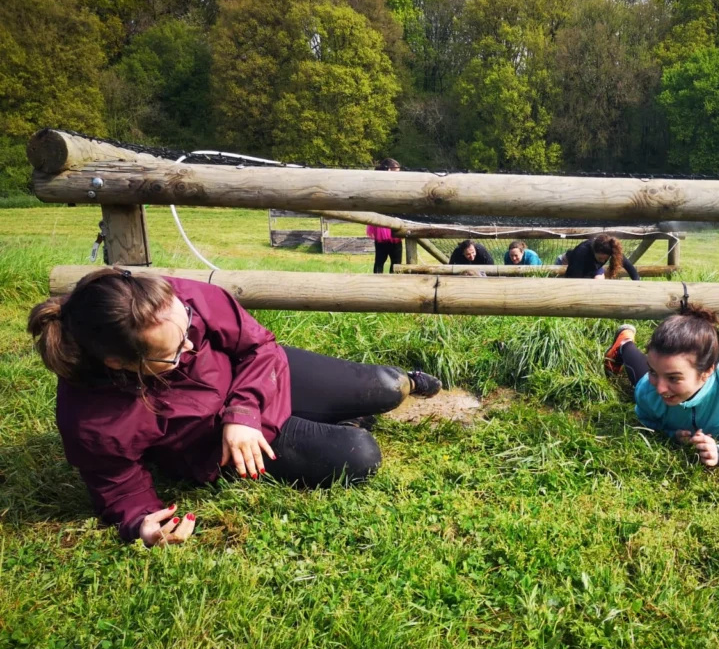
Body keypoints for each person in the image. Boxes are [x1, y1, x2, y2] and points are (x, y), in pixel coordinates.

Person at [27, 268, 443, 547]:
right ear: (119, 363)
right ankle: (341, 422)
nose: (190, 344)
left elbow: (258, 345)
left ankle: (396, 383)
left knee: (387, 387)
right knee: (361, 455)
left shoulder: (173, 301)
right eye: (174, 352)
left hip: (259, 377)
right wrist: (140, 522)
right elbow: (115, 482)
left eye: (188, 328)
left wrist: (243, 413)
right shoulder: (92, 418)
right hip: (215, 445)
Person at [603, 305, 719, 468]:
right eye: (653, 371)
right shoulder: (647, 389)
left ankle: (627, 344)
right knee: (641, 381)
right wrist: (670, 433)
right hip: (645, 384)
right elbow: (647, 420)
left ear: (707, 371)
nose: (659, 388)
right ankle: (624, 344)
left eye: (673, 378)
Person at [368, 159, 403, 274]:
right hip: (386, 224)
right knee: (393, 260)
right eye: (396, 171)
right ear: (388, 170)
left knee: (382, 259)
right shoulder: (384, 183)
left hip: (388, 223)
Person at [563, 234, 640, 280]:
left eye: (605, 259)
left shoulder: (611, 249)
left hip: (594, 267)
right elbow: (574, 278)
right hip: (568, 263)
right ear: (594, 251)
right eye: (600, 258)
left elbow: (630, 268)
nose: (603, 261)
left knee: (598, 284)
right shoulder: (581, 252)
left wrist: (638, 283)